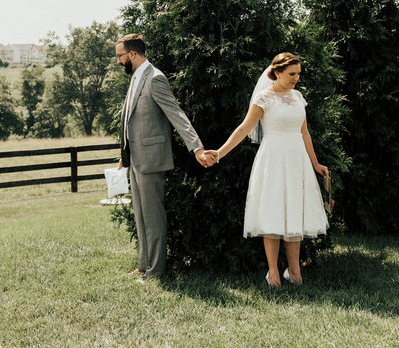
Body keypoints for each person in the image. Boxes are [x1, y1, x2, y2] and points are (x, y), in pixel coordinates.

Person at [206, 52, 329, 287]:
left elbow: (304, 133)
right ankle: (273, 273)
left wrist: (315, 163)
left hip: (297, 161)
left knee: (294, 212)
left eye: (298, 74)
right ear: (277, 73)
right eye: (292, 74)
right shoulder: (263, 98)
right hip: (272, 159)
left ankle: (294, 272)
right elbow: (243, 129)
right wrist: (219, 153)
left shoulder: (298, 97)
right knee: (272, 213)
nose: (296, 78)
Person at [115, 33, 216, 281]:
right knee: (140, 215)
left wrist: (197, 148)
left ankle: (156, 271)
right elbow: (131, 120)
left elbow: (176, 114)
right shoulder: (136, 77)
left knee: (153, 217)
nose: (117, 61)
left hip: (151, 158)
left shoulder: (155, 78)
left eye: (119, 56)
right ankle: (143, 264)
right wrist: (124, 154)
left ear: (132, 54)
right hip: (135, 159)